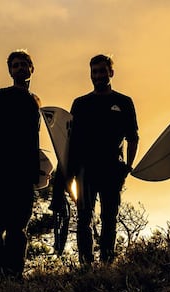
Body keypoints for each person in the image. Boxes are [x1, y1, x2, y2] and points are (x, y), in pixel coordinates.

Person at [67, 54, 139, 264]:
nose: (98, 76)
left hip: (112, 168)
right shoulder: (80, 104)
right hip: (85, 169)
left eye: (102, 71)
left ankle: (107, 261)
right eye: (94, 72)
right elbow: (71, 141)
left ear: (111, 73)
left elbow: (133, 137)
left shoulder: (123, 102)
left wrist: (128, 166)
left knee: (110, 218)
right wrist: (69, 173)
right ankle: (85, 263)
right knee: (84, 218)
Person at [0, 50, 41, 281]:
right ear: (9, 71)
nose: (20, 68)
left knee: (18, 228)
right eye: (15, 65)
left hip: (24, 172)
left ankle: (14, 275)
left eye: (24, 64)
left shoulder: (36, 102)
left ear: (31, 69)